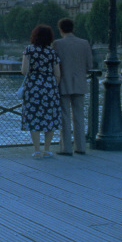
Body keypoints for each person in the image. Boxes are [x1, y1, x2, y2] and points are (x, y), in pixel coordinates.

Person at [52, 18, 93, 156]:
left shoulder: (57, 44)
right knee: (79, 116)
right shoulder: (84, 43)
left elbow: (54, 65)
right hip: (80, 82)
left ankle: (66, 148)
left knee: (65, 116)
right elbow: (90, 65)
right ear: (73, 28)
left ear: (61, 29)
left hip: (63, 83)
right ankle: (81, 147)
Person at [21, 24, 62, 158]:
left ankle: (36, 150)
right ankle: (47, 149)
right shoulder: (52, 52)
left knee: (33, 117)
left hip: (33, 87)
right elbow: (57, 74)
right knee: (50, 117)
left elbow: (24, 71)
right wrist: (52, 86)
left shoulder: (29, 50)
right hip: (49, 87)